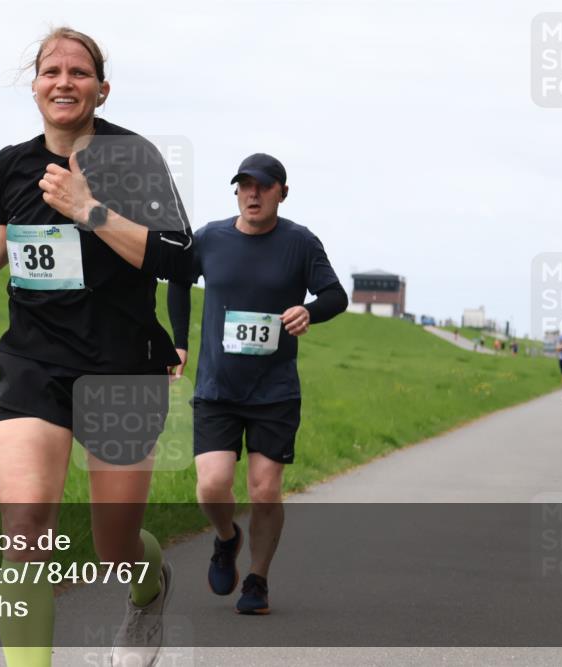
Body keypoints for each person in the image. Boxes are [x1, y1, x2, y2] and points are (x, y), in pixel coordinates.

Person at [0, 28, 192, 667]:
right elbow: (5, 223)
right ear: (34, 87)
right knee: (25, 531)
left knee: (113, 551)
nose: (63, 81)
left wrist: (92, 211)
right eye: (51, 70)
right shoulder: (10, 162)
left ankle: (147, 589)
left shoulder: (133, 160)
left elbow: (181, 260)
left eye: (78, 72)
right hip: (34, 360)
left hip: (122, 365)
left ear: (101, 88)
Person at [166, 153, 348, 615]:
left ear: (281, 193)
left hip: (274, 390)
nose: (253, 193)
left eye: (263, 186)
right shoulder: (209, 238)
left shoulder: (300, 244)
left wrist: (311, 310)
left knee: (265, 489)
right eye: (245, 185)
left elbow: (335, 295)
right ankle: (227, 538)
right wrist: (179, 343)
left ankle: (257, 580)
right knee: (212, 485)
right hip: (217, 387)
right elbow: (178, 282)